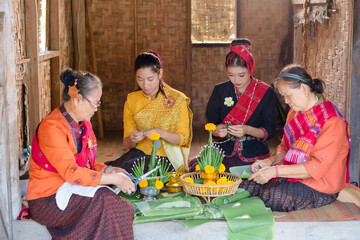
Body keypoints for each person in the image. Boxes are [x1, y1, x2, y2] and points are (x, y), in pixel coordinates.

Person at [27, 69, 135, 239]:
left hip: (70, 189)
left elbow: (85, 165)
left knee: (117, 205)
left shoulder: (84, 125)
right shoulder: (52, 127)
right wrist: (113, 180)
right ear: (77, 100)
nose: (96, 109)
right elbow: (71, 171)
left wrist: (107, 170)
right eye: (95, 103)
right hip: (48, 200)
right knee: (104, 200)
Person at [240, 64, 351, 212]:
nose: (286, 101)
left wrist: (274, 172)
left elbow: (315, 168)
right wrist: (269, 161)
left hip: (321, 186)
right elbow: (285, 147)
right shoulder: (294, 113)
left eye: (288, 95)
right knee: (244, 183)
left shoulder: (332, 121)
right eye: (283, 96)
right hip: (291, 174)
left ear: (304, 89)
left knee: (273, 195)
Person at [189, 38, 277, 171]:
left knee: (253, 178)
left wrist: (248, 130)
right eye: (231, 75)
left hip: (253, 154)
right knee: (198, 170)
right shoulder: (220, 90)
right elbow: (210, 124)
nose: (236, 80)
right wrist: (217, 130)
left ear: (250, 70)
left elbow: (270, 130)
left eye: (241, 75)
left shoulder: (265, 92)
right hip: (223, 151)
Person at [107, 51, 192, 173]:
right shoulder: (132, 100)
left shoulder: (178, 99)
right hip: (139, 155)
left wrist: (160, 133)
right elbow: (127, 145)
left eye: (150, 79)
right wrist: (132, 139)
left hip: (169, 159)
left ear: (160, 73)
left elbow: (184, 138)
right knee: (110, 173)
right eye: (140, 79)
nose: (145, 85)